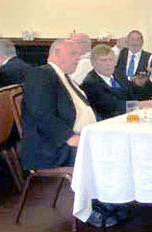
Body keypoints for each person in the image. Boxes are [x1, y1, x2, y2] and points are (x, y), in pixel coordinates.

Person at [19, 39, 95, 171]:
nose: (78, 59)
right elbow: (41, 114)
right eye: (73, 54)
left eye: (79, 54)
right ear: (57, 53)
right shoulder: (40, 74)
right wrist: (69, 138)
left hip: (81, 136)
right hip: (55, 147)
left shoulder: (65, 77)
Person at [81, 44, 151, 121]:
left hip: (128, 118)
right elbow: (114, 106)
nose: (108, 64)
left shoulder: (118, 75)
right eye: (104, 60)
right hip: (108, 123)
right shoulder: (90, 83)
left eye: (111, 60)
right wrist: (145, 104)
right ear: (93, 63)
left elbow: (135, 92)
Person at [113, 30, 152, 100]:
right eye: (132, 39)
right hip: (119, 97)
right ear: (127, 41)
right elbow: (105, 58)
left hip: (141, 97)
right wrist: (117, 47)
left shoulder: (150, 57)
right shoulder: (120, 54)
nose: (135, 43)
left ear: (142, 42)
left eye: (138, 40)